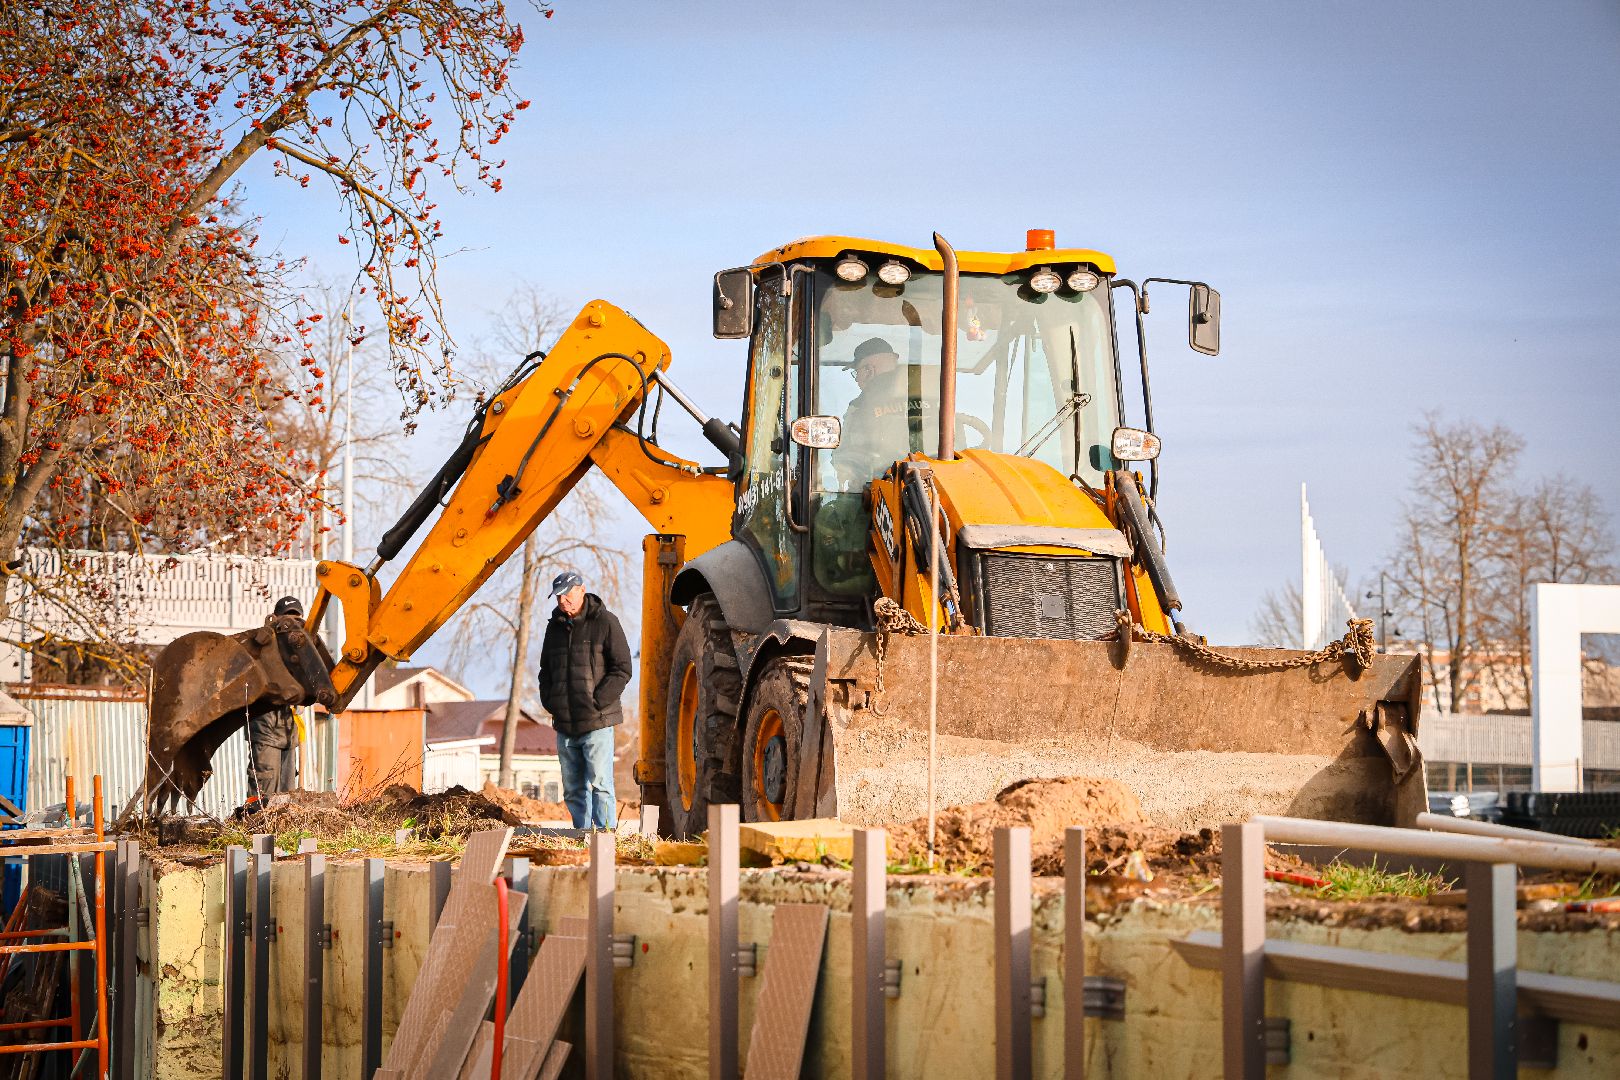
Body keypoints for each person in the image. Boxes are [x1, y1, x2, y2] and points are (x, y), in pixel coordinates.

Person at [537, 571, 632, 831]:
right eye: (558, 597)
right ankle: (582, 835)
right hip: (565, 724)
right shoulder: (553, 627)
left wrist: (598, 701)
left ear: (582, 590)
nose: (563, 602)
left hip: (597, 722)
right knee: (573, 790)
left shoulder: (606, 622)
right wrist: (551, 702)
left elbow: (623, 668)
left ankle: (605, 838)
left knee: (600, 785)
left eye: (567, 595)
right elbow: (545, 670)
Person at [241, 596, 304, 813]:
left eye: (296, 618)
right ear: (275, 618)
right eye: (287, 618)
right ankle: (256, 830)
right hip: (265, 728)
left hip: (289, 732)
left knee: (288, 793)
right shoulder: (262, 644)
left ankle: (282, 837)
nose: (292, 623)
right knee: (264, 787)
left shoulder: (301, 652)